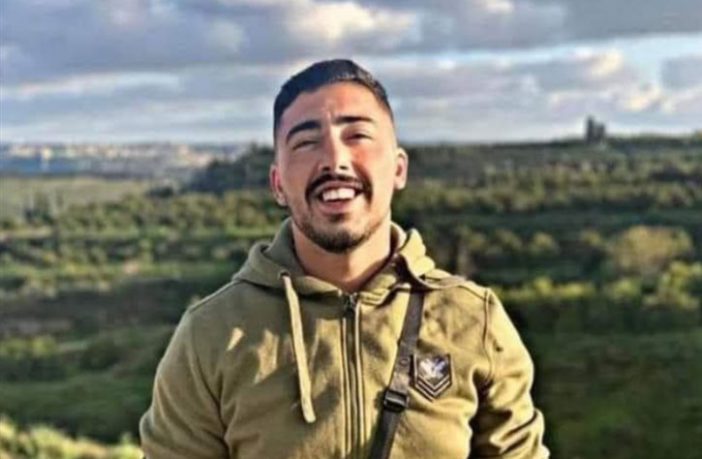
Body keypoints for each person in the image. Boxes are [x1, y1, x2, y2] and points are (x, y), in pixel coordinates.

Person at [139, 59, 549, 459]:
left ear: (399, 169)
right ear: (278, 184)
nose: (334, 160)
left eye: (357, 135)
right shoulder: (212, 335)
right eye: (306, 143)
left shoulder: (474, 321)